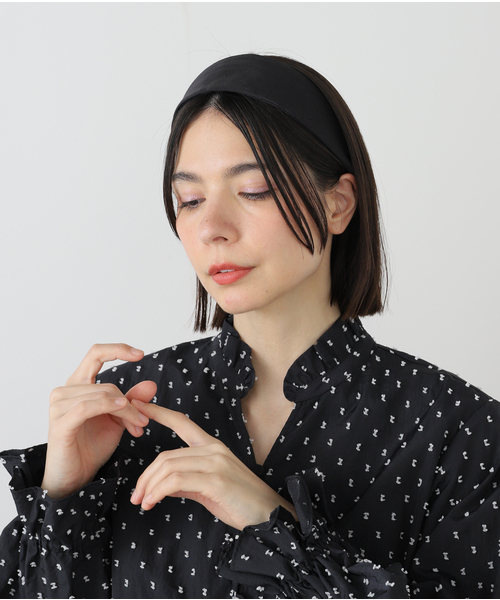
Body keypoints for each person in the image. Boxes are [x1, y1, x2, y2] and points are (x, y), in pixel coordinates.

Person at [0, 53, 498, 599]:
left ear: (338, 204)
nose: (211, 227)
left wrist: (271, 522)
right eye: (190, 200)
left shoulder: (458, 432)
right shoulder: (125, 413)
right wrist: (64, 493)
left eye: (254, 189)